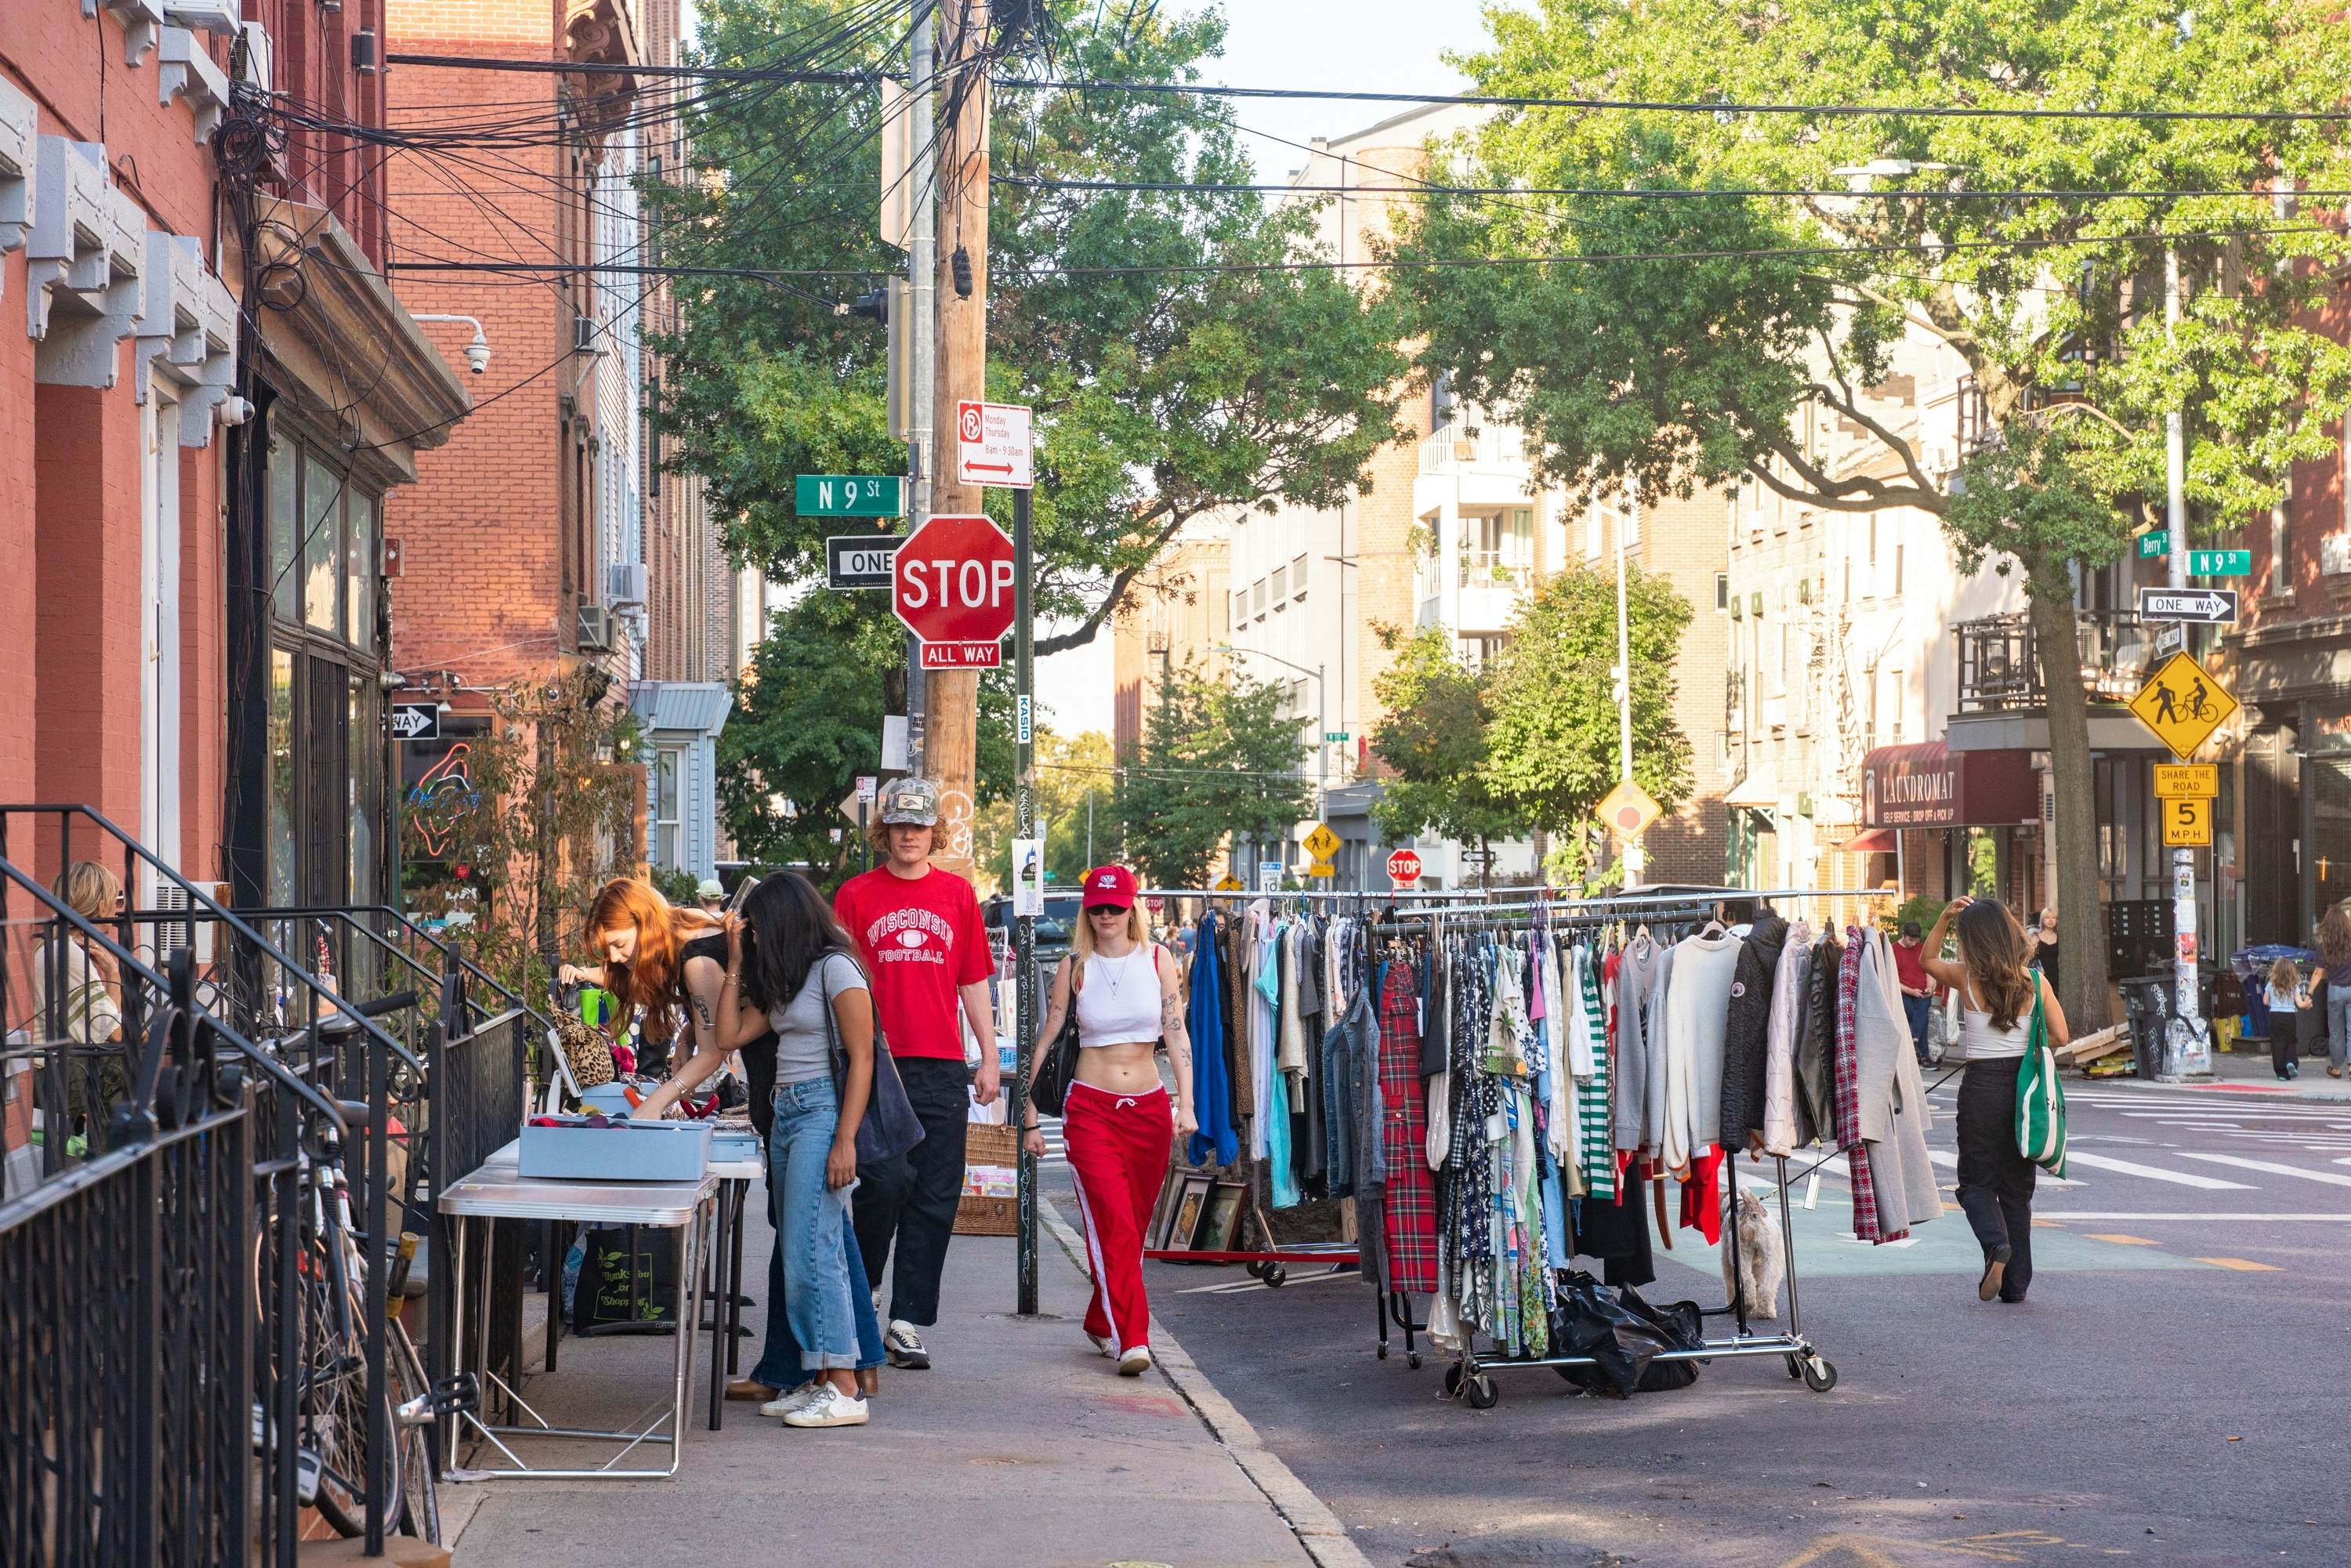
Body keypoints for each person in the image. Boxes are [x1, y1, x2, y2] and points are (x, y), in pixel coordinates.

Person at [832, 777, 998, 1370]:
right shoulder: (854, 895)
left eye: (919, 824)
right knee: (883, 1181)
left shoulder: (957, 895)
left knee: (935, 1191)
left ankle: (905, 1318)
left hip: (943, 1063)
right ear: (884, 830)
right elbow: (835, 978)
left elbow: (973, 979)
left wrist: (990, 1054)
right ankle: (867, 1285)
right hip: (876, 1062)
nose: (908, 834)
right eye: (899, 824)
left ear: (935, 830)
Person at [1024, 864, 1195, 1374]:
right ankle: (1133, 1338)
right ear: (1086, 910)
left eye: (1115, 907)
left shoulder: (1160, 960)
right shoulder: (1074, 966)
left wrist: (1185, 1101)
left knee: (1131, 1230)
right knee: (1115, 1225)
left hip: (1147, 1110)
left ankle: (1102, 1319)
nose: (1105, 916)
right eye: (1096, 907)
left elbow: (1176, 1030)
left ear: (1132, 907)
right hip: (1090, 1109)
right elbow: (1050, 1035)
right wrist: (1031, 1112)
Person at [726, 871, 877, 1429]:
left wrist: (845, 1139)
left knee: (817, 1251)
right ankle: (817, 1376)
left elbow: (863, 1057)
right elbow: (728, 1035)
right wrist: (737, 961)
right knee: (798, 1253)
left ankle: (844, 1387)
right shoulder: (792, 978)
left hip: (820, 1112)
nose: (757, 935)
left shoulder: (837, 968)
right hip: (786, 1113)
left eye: (760, 927)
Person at [1920, 896, 2068, 1305]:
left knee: (1975, 1183)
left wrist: (1945, 918)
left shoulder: (1966, 978)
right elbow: (2060, 1036)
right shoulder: (2036, 982)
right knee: (2016, 1192)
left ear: (1973, 939)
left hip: (1981, 1087)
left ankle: (1994, 1243)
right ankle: (2016, 1285)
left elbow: (1927, 962)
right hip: (2023, 1087)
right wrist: (2026, 1043)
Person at [559, 878, 742, 1110]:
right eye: (608, 949)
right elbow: (713, 1010)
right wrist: (687, 1040)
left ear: (644, 924)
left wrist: (655, 1103)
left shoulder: (697, 959)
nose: (614, 957)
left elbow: (713, 1051)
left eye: (619, 944)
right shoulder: (686, 924)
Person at [32, 861, 129, 1147]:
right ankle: (119, 1166)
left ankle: (115, 1165)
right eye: (117, 898)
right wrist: (113, 973)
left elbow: (108, 1030)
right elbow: (116, 1035)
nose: (118, 907)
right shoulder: (70, 954)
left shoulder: (57, 943)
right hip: (48, 1075)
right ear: (101, 905)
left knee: (119, 1062)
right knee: (122, 1066)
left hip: (49, 1067)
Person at [2310, 904, 2351, 1078]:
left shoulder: (2323, 946)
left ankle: (2336, 1068)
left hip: (2335, 991)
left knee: (2336, 1031)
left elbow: (2318, 973)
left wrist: (2309, 992)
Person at [1891, 918, 1936, 1067]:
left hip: (1922, 992)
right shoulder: (1893, 950)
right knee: (1920, 1017)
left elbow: (1929, 970)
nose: (1914, 944)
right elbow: (1893, 980)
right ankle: (1924, 1054)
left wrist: (1930, 987)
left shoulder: (1922, 949)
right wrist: (1911, 991)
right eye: (1910, 940)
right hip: (1904, 992)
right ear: (1903, 935)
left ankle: (1915, 1042)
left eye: (1916, 941)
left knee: (1921, 1011)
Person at [2264, 956, 2306, 1082]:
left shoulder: (2271, 984)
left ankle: (2281, 1073)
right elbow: (2300, 1004)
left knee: (2277, 1044)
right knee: (2290, 1041)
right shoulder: (2294, 986)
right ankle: (2290, 1062)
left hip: (2275, 1016)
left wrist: (2274, 1002)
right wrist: (2308, 1003)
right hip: (2290, 1017)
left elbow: (2265, 1001)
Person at [2029, 907, 2061, 999]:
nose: (2051, 920)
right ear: (2042, 920)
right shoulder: (2035, 937)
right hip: (2040, 975)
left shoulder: (2060, 938)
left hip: (2057, 976)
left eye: (2053, 918)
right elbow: (2030, 957)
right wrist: (2033, 946)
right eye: (2047, 917)